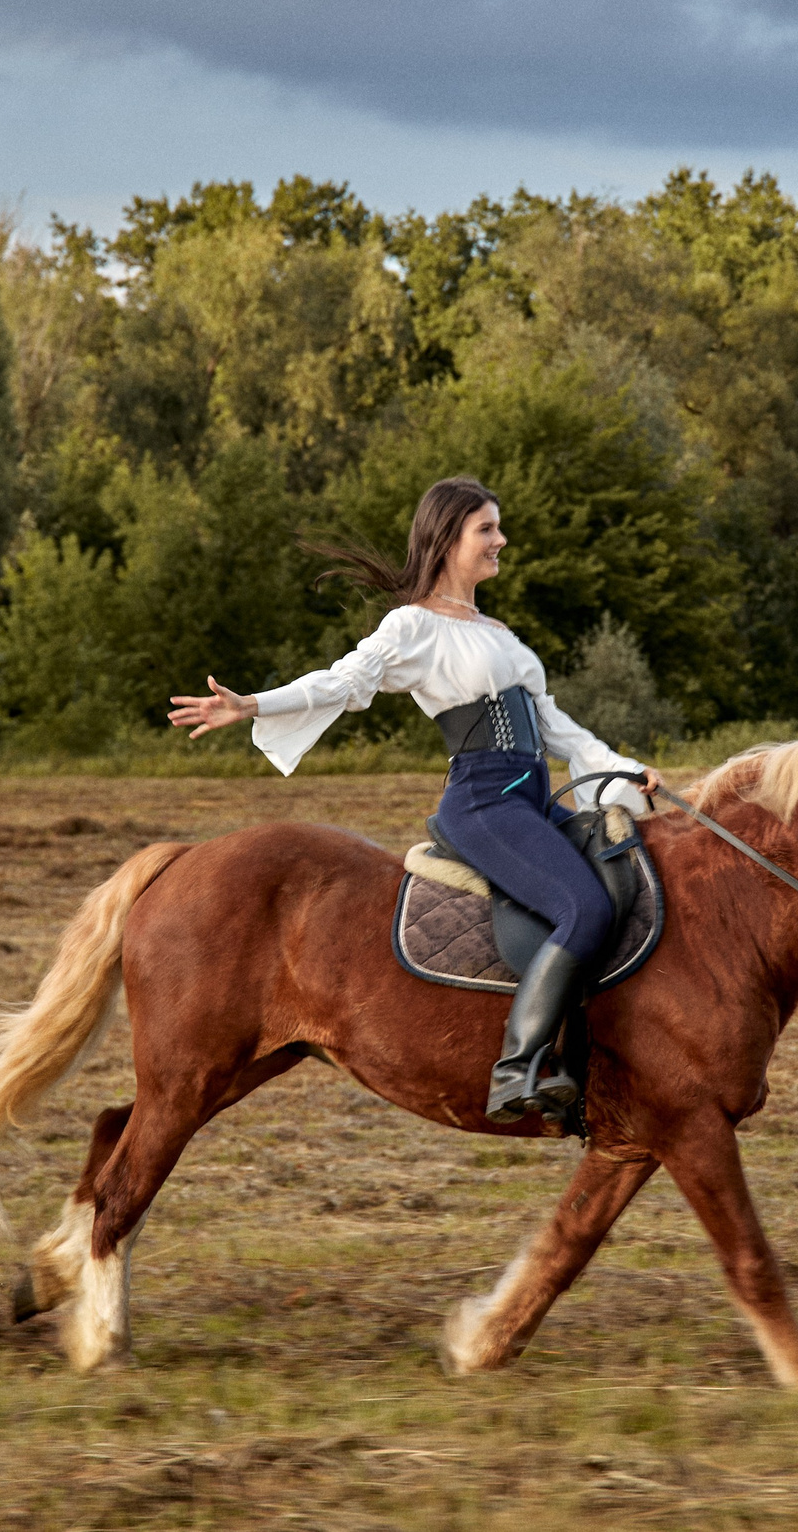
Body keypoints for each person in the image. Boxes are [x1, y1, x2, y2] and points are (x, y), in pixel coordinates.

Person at [167, 476, 663, 1124]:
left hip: (535, 800)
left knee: (622, 878)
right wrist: (252, 704)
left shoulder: (503, 636)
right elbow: (340, 683)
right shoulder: (413, 627)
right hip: (483, 806)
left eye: (497, 526)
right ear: (447, 537)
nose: (500, 539)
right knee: (584, 907)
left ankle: (597, 1059)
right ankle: (520, 1067)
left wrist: (627, 769)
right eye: (486, 528)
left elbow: (561, 733)